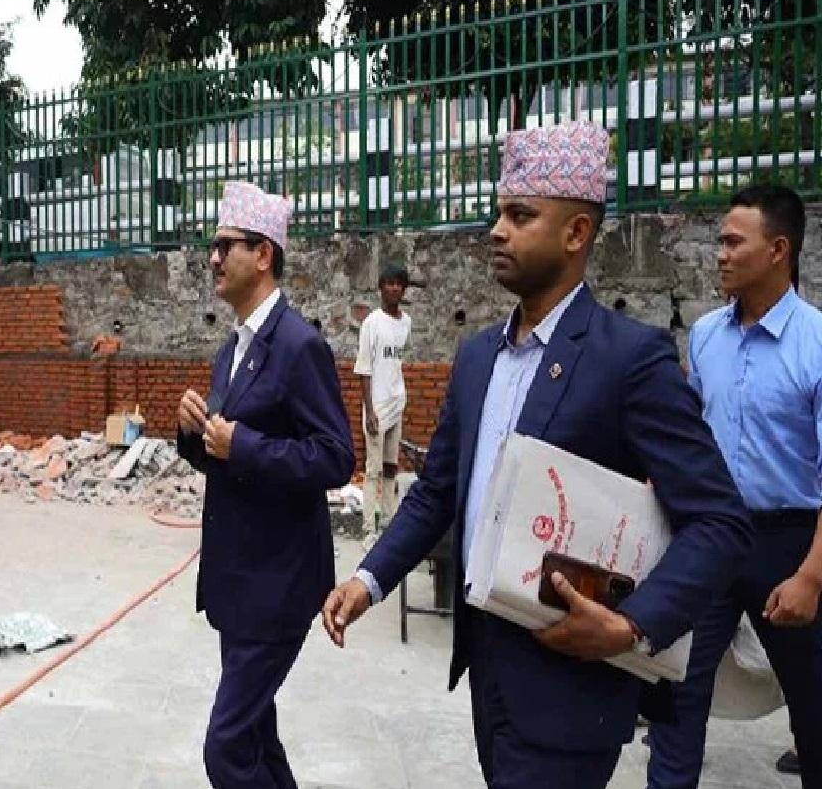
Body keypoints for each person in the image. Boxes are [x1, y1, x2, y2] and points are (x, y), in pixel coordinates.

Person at [319, 121, 754, 789]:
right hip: (488, 674)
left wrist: (632, 625)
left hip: (571, 692)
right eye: (499, 213)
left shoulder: (628, 360)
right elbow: (437, 492)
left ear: (576, 233)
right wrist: (369, 579)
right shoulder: (477, 358)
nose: (497, 231)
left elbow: (720, 520)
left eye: (520, 216)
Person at [176, 180, 355, 789]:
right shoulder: (233, 348)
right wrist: (193, 432)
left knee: (226, 749)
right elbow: (222, 457)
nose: (213, 257)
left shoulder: (299, 345)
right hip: (238, 580)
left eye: (225, 245)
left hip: (278, 584)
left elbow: (335, 458)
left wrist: (243, 443)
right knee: (254, 736)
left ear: (263, 254)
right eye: (214, 245)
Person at [645, 184, 822, 789]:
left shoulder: (815, 344)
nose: (719, 253)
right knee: (677, 689)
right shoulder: (706, 336)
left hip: (791, 544)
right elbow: (689, 435)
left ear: (778, 250)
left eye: (731, 242)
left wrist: (811, 577)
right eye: (719, 241)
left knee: (813, 705)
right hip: (713, 535)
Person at [354, 263, 414, 546]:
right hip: (376, 407)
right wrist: (369, 411)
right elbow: (364, 369)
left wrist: (399, 397)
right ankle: (369, 529)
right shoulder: (372, 323)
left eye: (398, 284)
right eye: (389, 283)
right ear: (381, 287)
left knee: (391, 467)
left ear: (404, 289)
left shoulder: (406, 322)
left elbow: (397, 361)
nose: (394, 288)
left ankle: (389, 523)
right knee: (373, 470)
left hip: (396, 402)